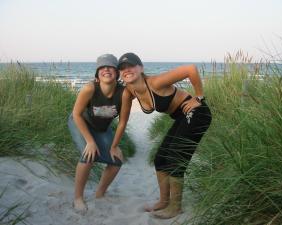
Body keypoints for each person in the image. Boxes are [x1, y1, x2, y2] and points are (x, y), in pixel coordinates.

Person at [118, 53, 212, 219]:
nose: (127, 70)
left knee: (176, 159)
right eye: (122, 68)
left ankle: (175, 207)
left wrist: (199, 97)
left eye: (131, 66)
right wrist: (113, 145)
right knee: (160, 159)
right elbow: (122, 122)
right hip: (181, 117)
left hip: (197, 113)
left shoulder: (155, 82)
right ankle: (163, 201)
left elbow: (190, 69)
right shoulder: (128, 92)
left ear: (141, 68)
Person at [68, 54, 132, 212]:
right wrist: (90, 142)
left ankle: (100, 194)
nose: (106, 70)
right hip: (81, 123)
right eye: (102, 67)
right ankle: (78, 198)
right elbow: (76, 114)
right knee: (88, 156)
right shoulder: (90, 88)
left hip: (102, 129)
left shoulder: (124, 93)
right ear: (97, 74)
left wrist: (114, 146)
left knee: (116, 160)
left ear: (117, 73)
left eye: (110, 67)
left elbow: (122, 122)